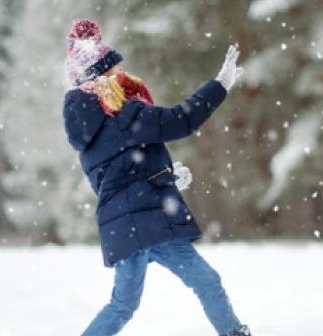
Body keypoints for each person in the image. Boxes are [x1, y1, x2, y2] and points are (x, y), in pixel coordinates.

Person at [62, 19, 250, 336]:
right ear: (101, 80)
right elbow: (180, 120)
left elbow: (115, 179)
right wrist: (220, 85)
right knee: (205, 281)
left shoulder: (89, 132)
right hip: (149, 222)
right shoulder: (122, 112)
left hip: (126, 225)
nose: (121, 75)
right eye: (113, 71)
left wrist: (165, 179)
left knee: (123, 305)